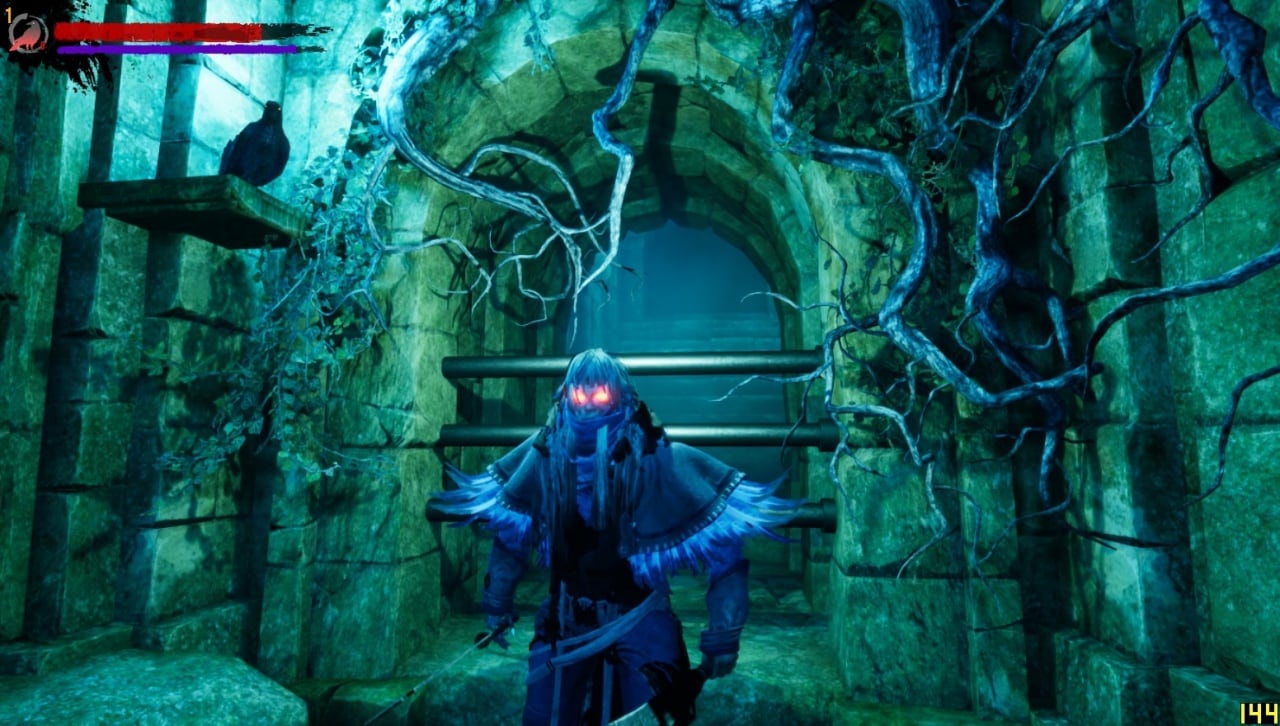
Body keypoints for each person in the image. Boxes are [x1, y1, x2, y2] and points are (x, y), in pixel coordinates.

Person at [433, 349, 795, 725]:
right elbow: (511, 534)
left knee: (655, 712)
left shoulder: (655, 456)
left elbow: (725, 547)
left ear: (619, 396)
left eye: (601, 393)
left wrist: (724, 632)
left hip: (640, 617)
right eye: (580, 394)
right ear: (567, 396)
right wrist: (497, 602)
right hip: (565, 618)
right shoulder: (544, 452)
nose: (589, 404)